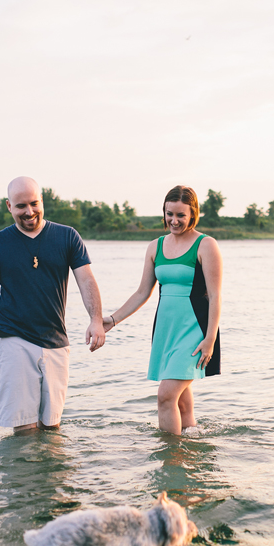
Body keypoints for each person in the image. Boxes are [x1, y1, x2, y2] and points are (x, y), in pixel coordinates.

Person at [0, 176, 106, 433]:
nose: (29, 212)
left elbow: (86, 280)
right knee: (24, 431)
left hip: (56, 341)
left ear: (42, 201)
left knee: (52, 429)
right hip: (13, 339)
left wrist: (96, 320)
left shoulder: (67, 236)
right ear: (9, 206)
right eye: (20, 206)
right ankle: (23, 474)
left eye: (34, 204)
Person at [103, 185, 222, 435]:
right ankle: (192, 448)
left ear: (193, 214)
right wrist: (112, 320)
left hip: (195, 331)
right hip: (166, 331)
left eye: (181, 215)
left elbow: (214, 296)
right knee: (180, 401)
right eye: (170, 214)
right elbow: (141, 293)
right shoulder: (155, 246)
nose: (174, 220)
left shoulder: (206, 245)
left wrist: (210, 339)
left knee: (165, 396)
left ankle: (170, 459)